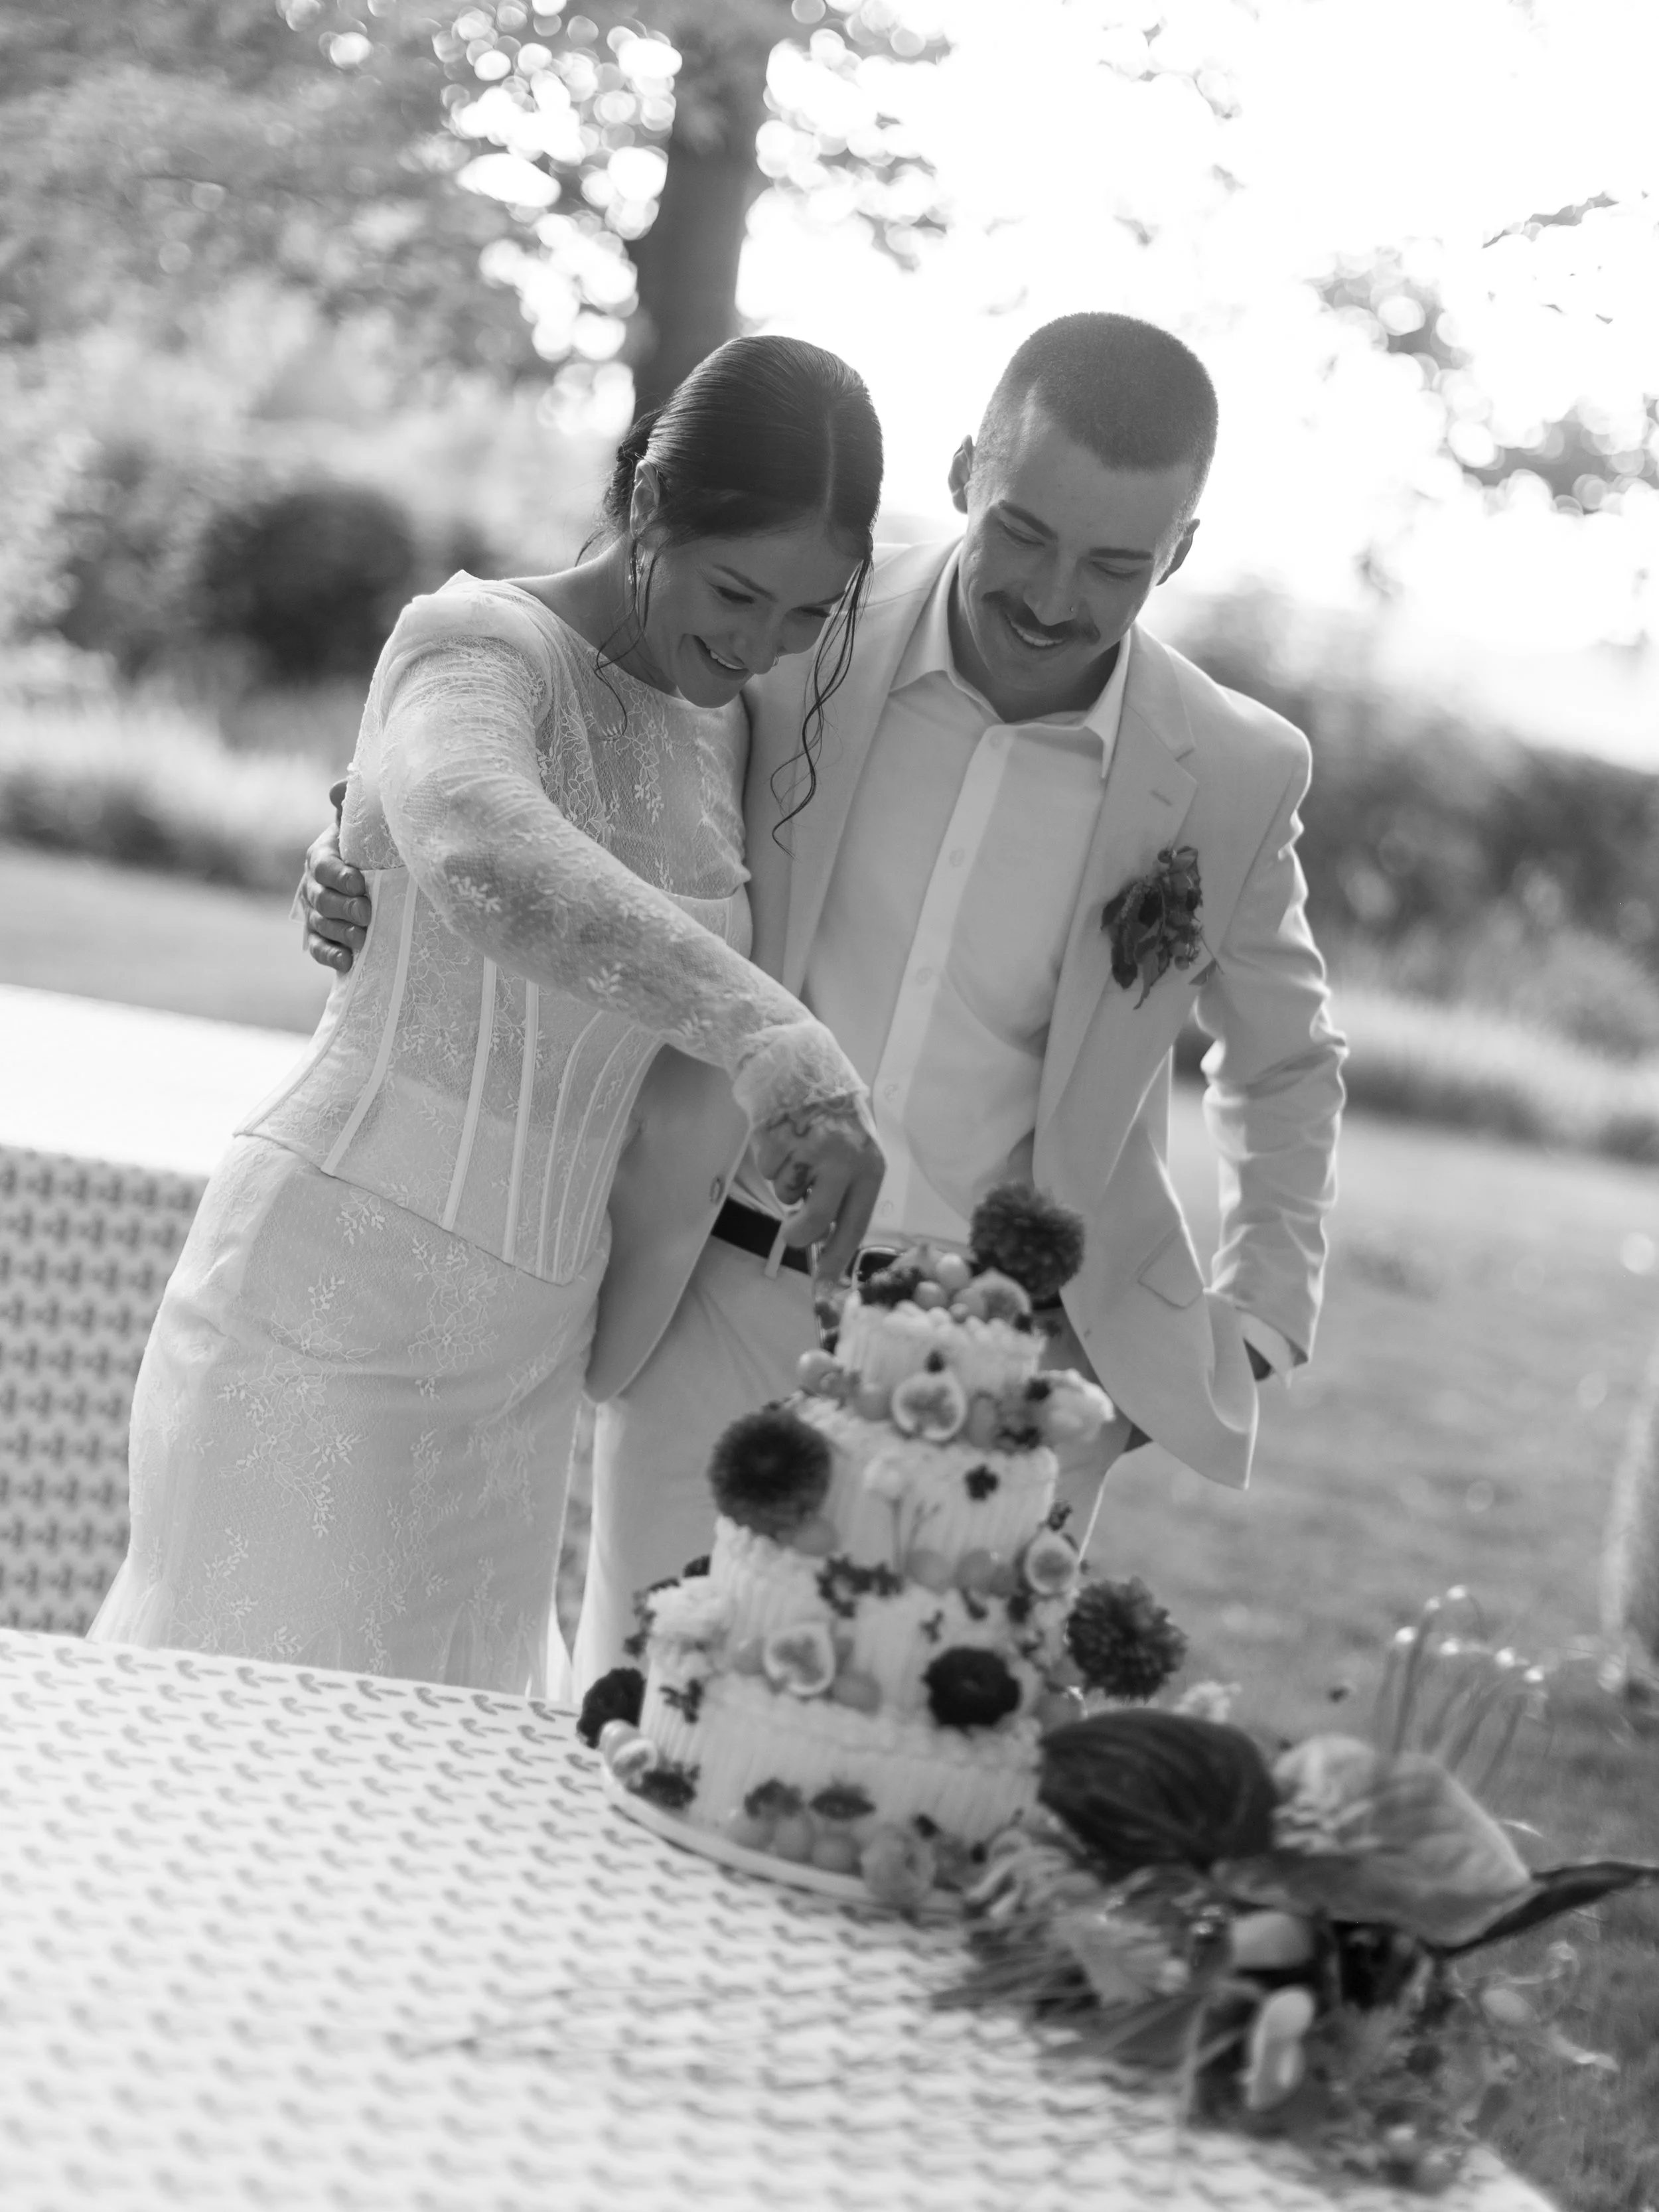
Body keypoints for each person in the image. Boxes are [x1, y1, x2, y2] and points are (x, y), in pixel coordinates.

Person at [301, 312, 1346, 1692]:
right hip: (717, 1290)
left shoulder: (1228, 768)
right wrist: (360, 845)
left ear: (1182, 553)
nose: (1049, 596)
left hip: (1006, 1360)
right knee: (638, 1722)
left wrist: (1257, 1320)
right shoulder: (802, 632)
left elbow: (1284, 1063)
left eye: (1113, 566)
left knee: (905, 1772)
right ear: (970, 468)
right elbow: (574, 773)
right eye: (1023, 533)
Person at [89, 334, 887, 1696]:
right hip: (326, 1304)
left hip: (528, 1355)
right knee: (254, 1751)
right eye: (736, 590)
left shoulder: (725, 716)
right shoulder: (474, 641)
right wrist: (776, 1045)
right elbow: (478, 847)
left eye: (806, 616)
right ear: (647, 507)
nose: (757, 644)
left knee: (430, 1797)